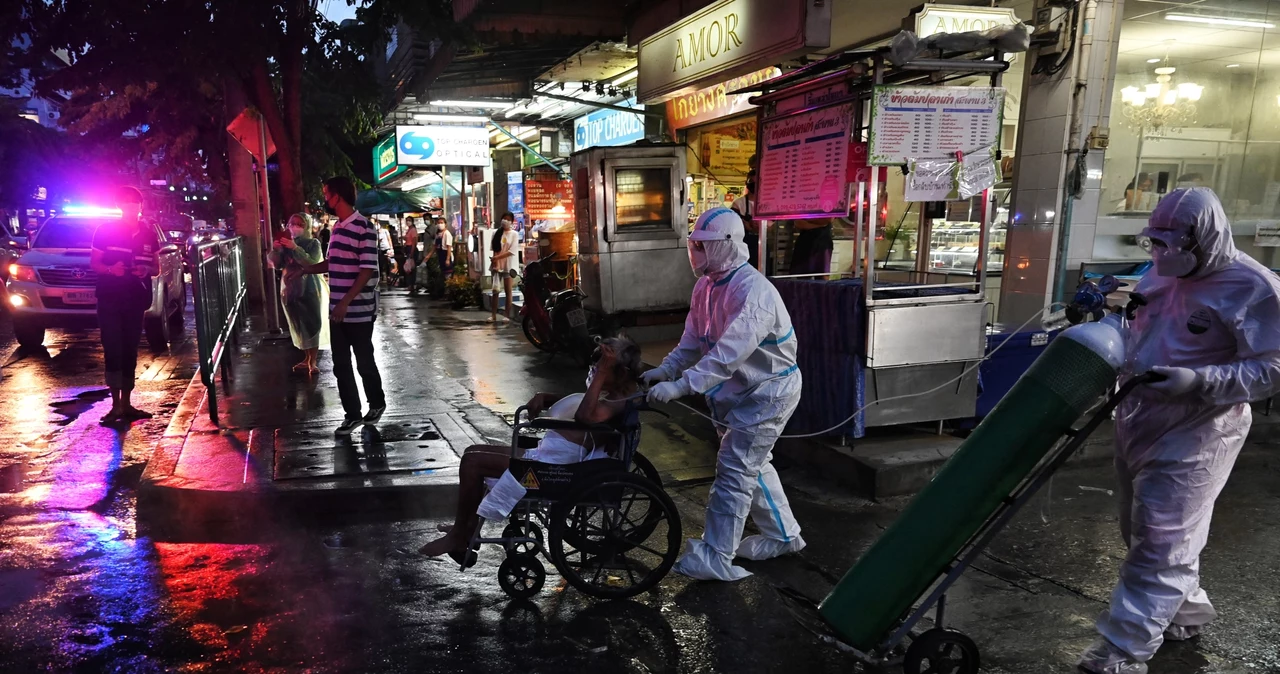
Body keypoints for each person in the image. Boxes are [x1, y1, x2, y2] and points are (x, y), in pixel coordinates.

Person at [1077, 187, 1280, 674]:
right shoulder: (1164, 273)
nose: (1162, 254)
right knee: (1139, 528)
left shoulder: (1255, 288)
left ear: (1203, 238)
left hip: (1198, 429)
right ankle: (1182, 612)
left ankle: (1122, 652)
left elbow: (1273, 366)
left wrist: (1200, 381)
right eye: (1156, 243)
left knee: (1162, 541)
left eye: (1172, 244)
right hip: (1138, 417)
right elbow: (1144, 328)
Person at [644, 208, 805, 581]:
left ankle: (718, 555)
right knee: (752, 464)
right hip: (738, 394)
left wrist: (683, 385)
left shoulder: (753, 292)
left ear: (727, 246)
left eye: (704, 246)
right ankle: (784, 535)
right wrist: (667, 369)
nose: (697, 253)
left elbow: (727, 353)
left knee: (735, 470)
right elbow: (693, 340)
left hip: (768, 392)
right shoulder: (707, 285)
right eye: (695, 245)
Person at [417, 337, 644, 561]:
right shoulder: (616, 394)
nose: (595, 371)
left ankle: (459, 535)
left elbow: (585, 415)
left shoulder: (619, 401)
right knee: (472, 451)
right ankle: (466, 527)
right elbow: (583, 403)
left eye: (602, 368)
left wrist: (602, 372)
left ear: (621, 373)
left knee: (473, 463)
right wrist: (548, 398)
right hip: (553, 454)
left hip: (557, 466)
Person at [302, 176, 387, 436]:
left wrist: (345, 303)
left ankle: (376, 403)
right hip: (337, 310)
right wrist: (305, 270)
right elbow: (332, 263)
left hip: (358, 311)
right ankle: (352, 414)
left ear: (338, 195)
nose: (325, 199)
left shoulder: (364, 228)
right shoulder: (337, 228)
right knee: (340, 365)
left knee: (364, 361)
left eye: (327, 194)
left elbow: (366, 270)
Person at [90, 186, 158, 423]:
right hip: (109, 298)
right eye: (126, 203)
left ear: (141, 205)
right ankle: (115, 405)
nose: (131, 207)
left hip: (135, 300)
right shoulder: (105, 230)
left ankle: (127, 404)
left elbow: (156, 267)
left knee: (130, 349)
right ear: (119, 206)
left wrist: (145, 269)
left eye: (135, 202)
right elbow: (95, 263)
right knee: (113, 347)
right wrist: (111, 270)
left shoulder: (149, 234)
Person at [270, 213, 329, 375]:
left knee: (312, 322)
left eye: (299, 224)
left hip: (310, 288)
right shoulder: (286, 244)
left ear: (307, 226)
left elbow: (313, 263)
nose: (295, 227)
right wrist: (277, 250)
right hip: (289, 288)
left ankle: (313, 360)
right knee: (297, 324)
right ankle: (306, 357)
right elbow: (277, 265)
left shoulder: (313, 243)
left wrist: (296, 249)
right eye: (292, 223)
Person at [489, 212, 519, 323]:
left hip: (509, 266)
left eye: (507, 219)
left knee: (508, 291)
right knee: (495, 291)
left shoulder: (514, 234)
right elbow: (495, 250)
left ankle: (507, 315)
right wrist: (495, 262)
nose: (505, 221)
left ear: (511, 221)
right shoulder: (495, 233)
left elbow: (511, 251)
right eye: (503, 218)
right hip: (497, 266)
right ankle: (493, 315)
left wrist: (497, 258)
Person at [731, 167, 761, 271]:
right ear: (746, 182)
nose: (753, 184)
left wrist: (751, 226)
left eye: (756, 182)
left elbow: (769, 228)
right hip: (743, 245)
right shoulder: (738, 203)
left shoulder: (766, 204)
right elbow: (736, 225)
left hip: (761, 246)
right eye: (751, 181)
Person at [403, 217, 421, 294]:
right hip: (408, 248)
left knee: (411, 268)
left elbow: (414, 242)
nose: (408, 222)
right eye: (407, 221)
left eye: (409, 221)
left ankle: (412, 285)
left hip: (411, 249)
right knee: (409, 268)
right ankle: (410, 285)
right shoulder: (409, 230)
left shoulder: (413, 230)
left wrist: (411, 252)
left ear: (412, 222)